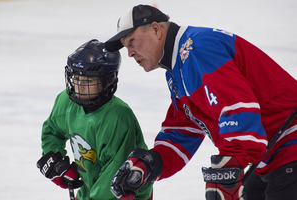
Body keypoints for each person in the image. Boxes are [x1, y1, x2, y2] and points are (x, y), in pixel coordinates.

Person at [104, 4, 297, 200]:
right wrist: (151, 163)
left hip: (290, 147)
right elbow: (184, 128)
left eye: (131, 42)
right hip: (273, 155)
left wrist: (231, 163)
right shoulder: (177, 67)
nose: (129, 53)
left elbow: (238, 107)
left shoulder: (198, 47)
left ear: (156, 29)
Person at [36, 39, 153, 200]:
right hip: (90, 192)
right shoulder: (66, 102)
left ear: (107, 81)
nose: (80, 87)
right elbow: (52, 131)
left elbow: (114, 174)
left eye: (88, 81)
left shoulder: (118, 117)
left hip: (125, 195)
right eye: (76, 79)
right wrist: (55, 160)